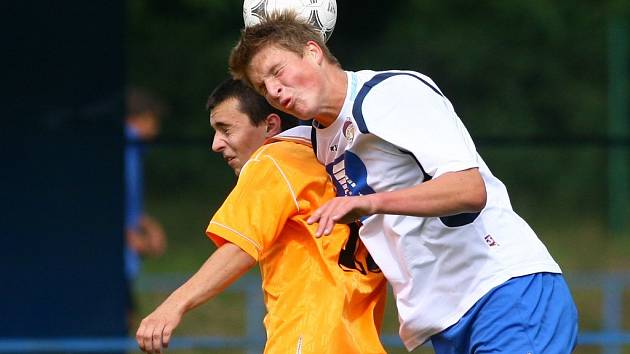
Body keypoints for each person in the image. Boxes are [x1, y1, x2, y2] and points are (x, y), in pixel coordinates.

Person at [228, 12, 579, 353]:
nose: (274, 89)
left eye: (278, 71)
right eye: (263, 86)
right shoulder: (325, 139)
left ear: (313, 51)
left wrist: (369, 203)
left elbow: (468, 189)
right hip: (448, 318)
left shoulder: (387, 94)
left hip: (502, 290)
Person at [135, 79, 387, 354]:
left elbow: (241, 245)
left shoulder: (274, 159)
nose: (216, 144)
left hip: (307, 339)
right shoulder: (344, 171)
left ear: (270, 125)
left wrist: (173, 305)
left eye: (225, 129)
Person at [125, 87, 168, 327]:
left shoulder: (133, 151)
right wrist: (128, 236)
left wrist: (146, 225)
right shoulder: (125, 144)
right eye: (153, 120)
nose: (155, 129)